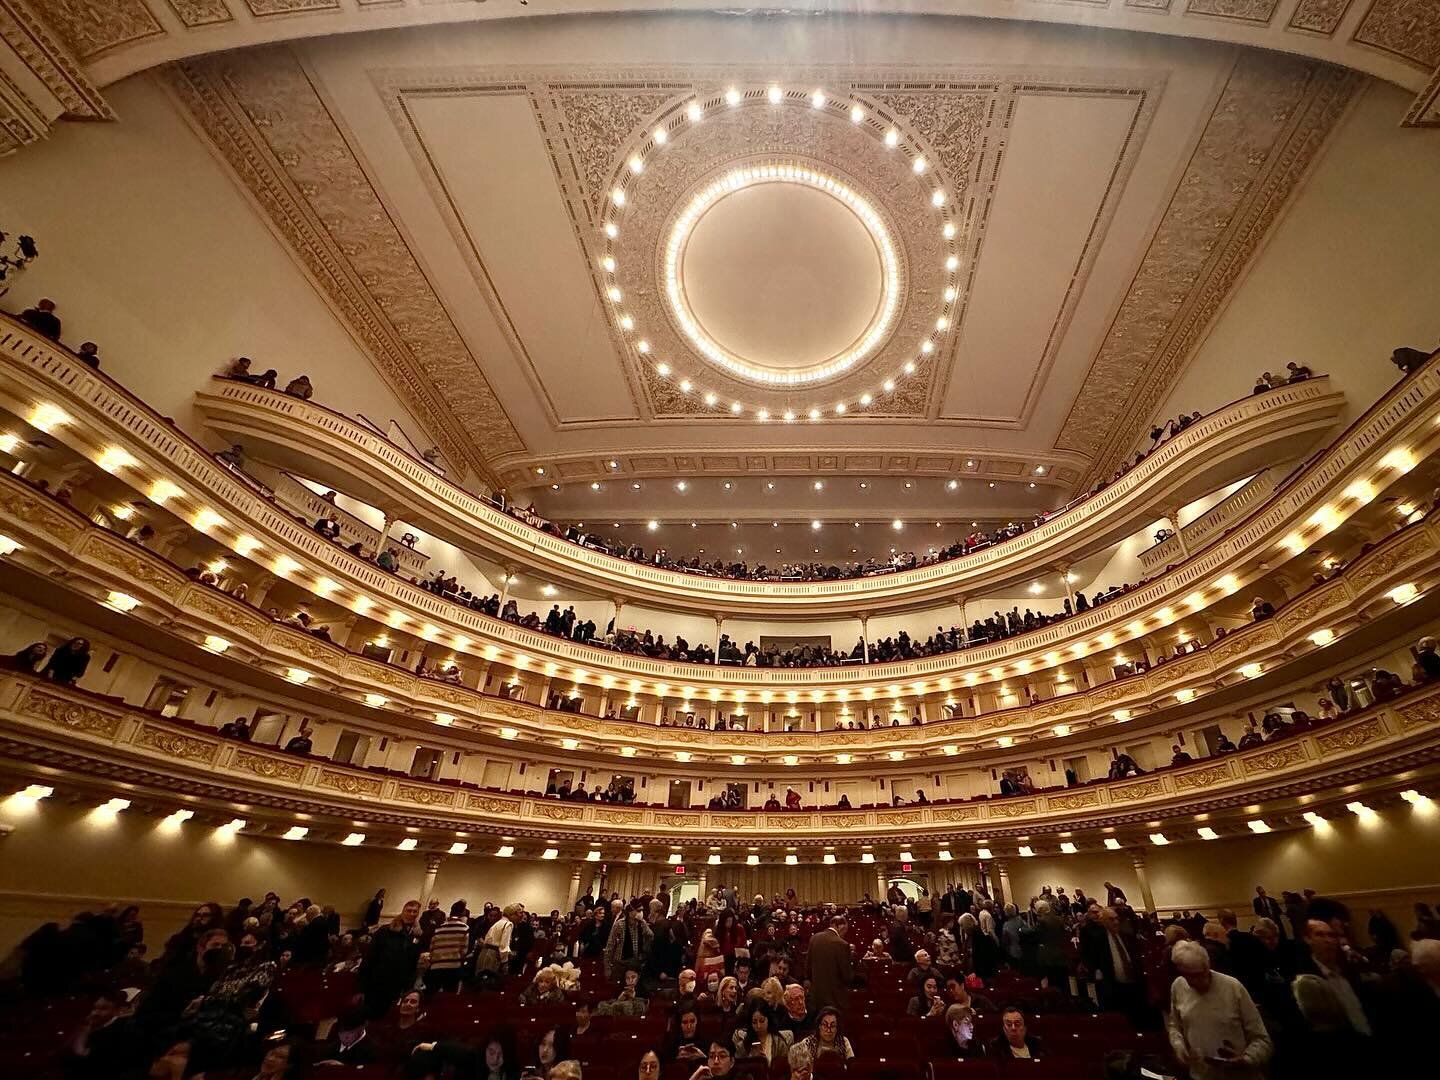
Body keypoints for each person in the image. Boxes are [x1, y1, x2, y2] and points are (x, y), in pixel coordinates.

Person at [1166, 939, 1272, 1080]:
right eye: (1188, 976)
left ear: (1208, 965)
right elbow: (1175, 1027)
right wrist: (1178, 1046)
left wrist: (1246, 1059)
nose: (1195, 982)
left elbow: (1263, 1040)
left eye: (1200, 975)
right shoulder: (1178, 986)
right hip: (1201, 1076)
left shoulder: (1233, 987)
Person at [358, 898, 421, 1016]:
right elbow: (370, 958)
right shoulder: (385, 931)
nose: (412, 914)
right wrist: (362, 986)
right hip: (377, 983)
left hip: (398, 987)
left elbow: (413, 964)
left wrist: (408, 988)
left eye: (415, 911)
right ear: (403, 911)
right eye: (409, 910)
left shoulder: (417, 936)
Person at [806, 914, 852, 1012]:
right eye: (845, 930)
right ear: (840, 926)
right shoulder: (842, 944)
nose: (844, 934)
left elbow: (808, 969)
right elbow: (847, 976)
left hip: (816, 998)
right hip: (835, 1000)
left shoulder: (814, 938)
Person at [427, 899, 471, 992]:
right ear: (463, 912)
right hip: (453, 966)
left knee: (432, 994)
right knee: (448, 996)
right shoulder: (464, 928)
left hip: (436, 966)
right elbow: (464, 950)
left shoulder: (439, 928)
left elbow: (432, 947)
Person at [732, 996, 791, 1063]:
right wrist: (750, 1059)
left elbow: (784, 1068)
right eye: (754, 1022)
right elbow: (737, 1068)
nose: (759, 1026)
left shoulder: (779, 1043)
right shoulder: (742, 1046)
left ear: (768, 1019)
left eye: (762, 1021)